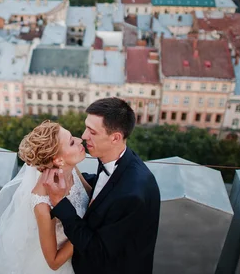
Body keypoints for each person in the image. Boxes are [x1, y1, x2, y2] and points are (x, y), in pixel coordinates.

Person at [43, 97, 160, 274]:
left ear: (115, 138)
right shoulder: (118, 159)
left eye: (92, 131)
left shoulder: (131, 195)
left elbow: (96, 252)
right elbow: (105, 188)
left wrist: (59, 202)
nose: (83, 136)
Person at [0, 121, 90, 274]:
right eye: (72, 142)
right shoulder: (42, 202)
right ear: (59, 160)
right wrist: (87, 228)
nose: (80, 140)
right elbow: (53, 262)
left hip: (85, 252)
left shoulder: (70, 168)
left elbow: (91, 195)